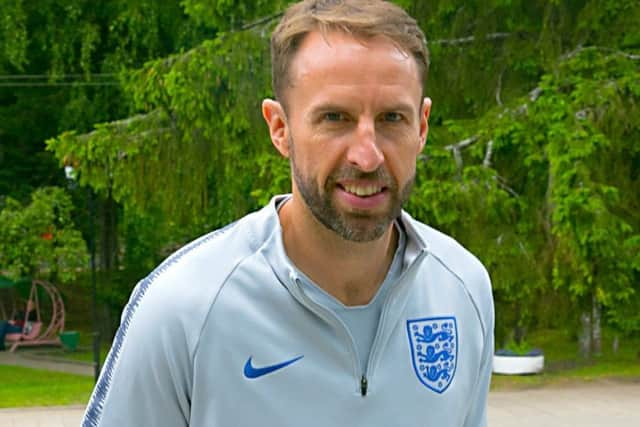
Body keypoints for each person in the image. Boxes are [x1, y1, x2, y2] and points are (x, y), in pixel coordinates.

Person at [82, 1, 494, 426]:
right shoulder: (182, 307)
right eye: (335, 118)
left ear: (422, 127)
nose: (367, 156)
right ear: (279, 128)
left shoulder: (463, 288)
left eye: (392, 118)